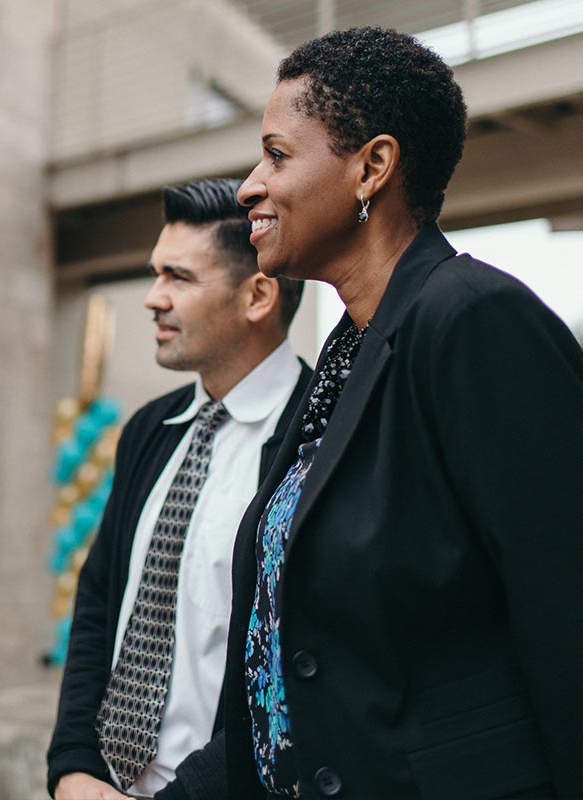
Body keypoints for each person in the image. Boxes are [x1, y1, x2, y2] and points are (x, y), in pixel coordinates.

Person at [218, 26, 583, 799]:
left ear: (372, 167)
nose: (248, 185)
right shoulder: (345, 355)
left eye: (277, 155)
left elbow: (566, 620)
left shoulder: (475, 320)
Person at [47, 178, 311, 800]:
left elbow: (304, 669)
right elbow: (99, 604)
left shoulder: (318, 439)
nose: (151, 298)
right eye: (155, 273)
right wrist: (75, 767)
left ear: (258, 295)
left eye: (178, 278)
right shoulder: (148, 429)